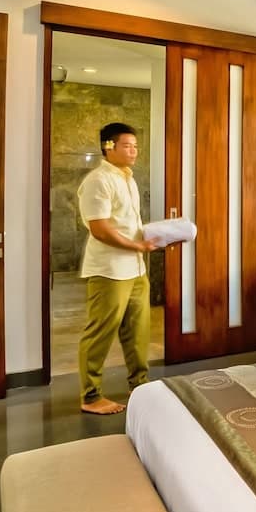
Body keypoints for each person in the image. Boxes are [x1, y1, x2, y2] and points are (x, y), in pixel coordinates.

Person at [76, 123, 157, 415]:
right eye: (127, 146)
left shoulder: (128, 179)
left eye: (135, 146)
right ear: (108, 147)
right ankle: (91, 396)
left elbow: (127, 224)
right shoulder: (98, 181)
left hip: (135, 269)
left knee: (138, 330)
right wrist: (137, 246)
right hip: (109, 270)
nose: (133, 151)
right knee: (100, 332)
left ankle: (140, 384)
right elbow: (100, 229)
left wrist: (154, 237)